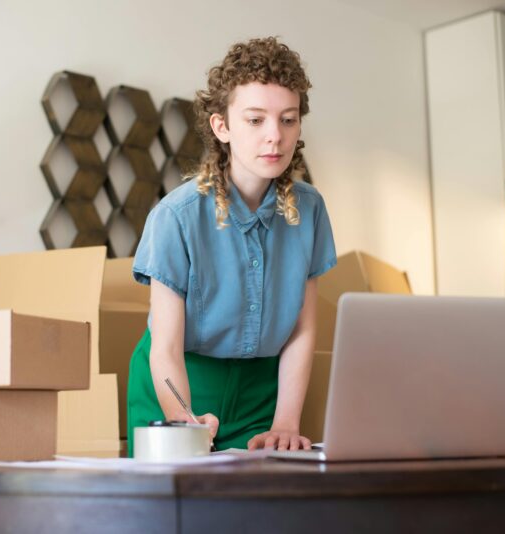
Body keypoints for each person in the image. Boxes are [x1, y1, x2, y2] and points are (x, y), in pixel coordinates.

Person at [127, 36, 336, 456]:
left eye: (288, 119)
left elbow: (302, 330)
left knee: (259, 511)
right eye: (255, 120)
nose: (275, 136)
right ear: (222, 126)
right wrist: (182, 420)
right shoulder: (176, 217)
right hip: (178, 380)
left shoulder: (310, 209)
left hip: (262, 390)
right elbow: (166, 348)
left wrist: (286, 422)